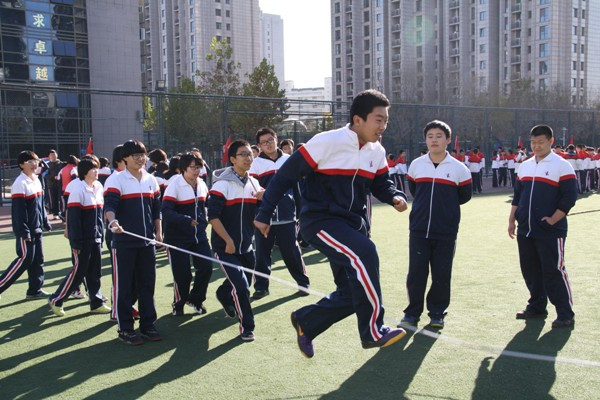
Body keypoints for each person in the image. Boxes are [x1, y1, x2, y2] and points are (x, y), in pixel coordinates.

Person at [254, 89, 408, 358]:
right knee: (366, 254)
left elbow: (382, 183)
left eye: (385, 120)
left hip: (352, 226)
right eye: (378, 119)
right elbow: (284, 177)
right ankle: (373, 331)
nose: (383, 126)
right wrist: (264, 214)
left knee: (351, 292)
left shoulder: (377, 150)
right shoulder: (326, 141)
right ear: (358, 120)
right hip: (320, 221)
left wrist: (395, 195)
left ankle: (307, 322)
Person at [400, 120, 472, 329]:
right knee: (416, 273)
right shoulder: (416, 165)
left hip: (446, 231)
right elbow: (414, 190)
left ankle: (437, 313)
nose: (434, 140)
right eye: (430, 136)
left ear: (448, 140)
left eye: (439, 136)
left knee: (442, 273)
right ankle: (412, 313)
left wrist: (445, 211)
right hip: (419, 229)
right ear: (425, 139)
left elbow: (464, 196)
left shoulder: (460, 169)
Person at [508, 124, 577, 329]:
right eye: (533, 143)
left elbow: (569, 197)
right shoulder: (525, 165)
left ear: (551, 142)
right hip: (525, 229)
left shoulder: (562, 166)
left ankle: (565, 313)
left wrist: (554, 219)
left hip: (550, 231)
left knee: (553, 271)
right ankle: (537, 307)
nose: (536, 146)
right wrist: (512, 220)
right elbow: (518, 196)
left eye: (541, 142)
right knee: (530, 270)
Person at [104, 140, 162, 345]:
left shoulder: (151, 180)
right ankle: (125, 329)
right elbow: (109, 206)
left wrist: (159, 233)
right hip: (124, 243)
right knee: (124, 288)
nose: (140, 158)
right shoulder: (116, 180)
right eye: (135, 155)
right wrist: (113, 222)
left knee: (147, 285)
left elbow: (156, 210)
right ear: (125, 159)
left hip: (147, 242)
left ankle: (148, 325)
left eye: (142, 154)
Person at [207, 139, 263, 342]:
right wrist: (228, 240)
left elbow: (254, 214)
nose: (249, 158)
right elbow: (213, 217)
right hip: (225, 248)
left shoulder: (254, 183)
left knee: (242, 282)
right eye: (243, 154)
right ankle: (247, 327)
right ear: (232, 159)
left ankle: (223, 294)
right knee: (242, 287)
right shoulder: (222, 185)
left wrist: (260, 202)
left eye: (250, 154)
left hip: (247, 247)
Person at [249, 128, 310, 299]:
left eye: (270, 140)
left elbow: (297, 189)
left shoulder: (289, 160)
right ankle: (261, 287)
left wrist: (300, 212)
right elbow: (254, 190)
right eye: (264, 142)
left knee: (292, 252)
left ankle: (303, 283)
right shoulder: (255, 164)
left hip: (287, 215)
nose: (268, 144)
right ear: (259, 145)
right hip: (263, 218)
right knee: (261, 254)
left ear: (277, 139)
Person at [48, 158, 110, 316]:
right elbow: (74, 219)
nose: (97, 171)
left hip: (96, 237)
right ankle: (57, 299)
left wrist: (100, 236)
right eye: (93, 169)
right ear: (84, 172)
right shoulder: (78, 189)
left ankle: (96, 301)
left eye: (97, 168)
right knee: (79, 271)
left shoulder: (98, 186)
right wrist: (76, 241)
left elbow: (99, 216)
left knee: (95, 271)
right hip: (82, 239)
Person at [161, 152, 212, 315]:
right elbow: (166, 211)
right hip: (177, 238)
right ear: (183, 168)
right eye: (193, 167)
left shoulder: (202, 184)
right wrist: (186, 220)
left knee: (206, 267)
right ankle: (179, 303)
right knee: (183, 275)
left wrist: (205, 220)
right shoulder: (174, 185)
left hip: (199, 235)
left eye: (199, 167)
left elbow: (206, 206)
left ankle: (195, 299)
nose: (197, 171)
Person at [0, 151, 51, 300]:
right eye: (29, 161)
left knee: (38, 260)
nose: (34, 163)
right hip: (26, 230)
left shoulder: (36, 180)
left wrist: (45, 221)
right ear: (21, 165)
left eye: (35, 160)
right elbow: (18, 212)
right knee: (25, 259)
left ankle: (35, 290)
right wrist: (24, 232)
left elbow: (40, 205)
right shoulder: (20, 183)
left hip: (37, 227)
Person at [45, 150, 62, 219]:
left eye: (54, 155)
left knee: (61, 199)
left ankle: (62, 212)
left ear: (57, 155)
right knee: (53, 199)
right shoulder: (47, 165)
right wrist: (53, 176)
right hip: (51, 185)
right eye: (51, 155)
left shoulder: (60, 164)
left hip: (60, 184)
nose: (53, 156)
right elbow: (45, 175)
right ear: (49, 156)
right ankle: (55, 213)